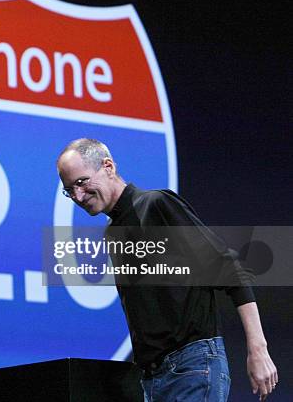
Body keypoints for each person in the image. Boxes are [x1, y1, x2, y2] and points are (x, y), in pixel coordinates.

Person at [56, 138, 277, 401]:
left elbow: (230, 269)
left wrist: (258, 349)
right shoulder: (113, 233)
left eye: (81, 183)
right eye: (69, 190)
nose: (78, 197)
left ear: (108, 166)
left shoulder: (157, 205)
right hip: (152, 381)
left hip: (192, 367)